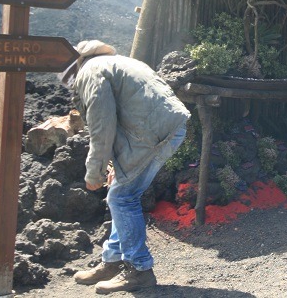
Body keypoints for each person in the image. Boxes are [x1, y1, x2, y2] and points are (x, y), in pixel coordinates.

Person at [60, 40, 190, 294]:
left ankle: (139, 269)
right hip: (161, 127)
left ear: (73, 69)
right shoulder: (114, 63)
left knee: (122, 197)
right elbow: (124, 116)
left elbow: (102, 125)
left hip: (152, 132)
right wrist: (115, 164)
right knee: (121, 193)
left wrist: (94, 170)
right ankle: (112, 261)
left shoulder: (90, 72)